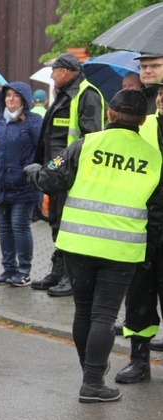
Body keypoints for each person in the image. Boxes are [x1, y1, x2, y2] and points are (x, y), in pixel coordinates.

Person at [24, 89, 163, 403]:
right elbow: (155, 209)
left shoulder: (85, 145)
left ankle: (92, 374)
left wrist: (33, 172)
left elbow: (50, 181)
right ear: (143, 120)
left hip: (78, 243)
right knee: (104, 315)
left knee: (84, 312)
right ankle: (92, 382)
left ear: (110, 114)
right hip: (122, 248)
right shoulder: (154, 157)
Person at [31, 53, 104, 298]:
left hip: (72, 176)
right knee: (57, 223)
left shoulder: (86, 94)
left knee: (68, 226)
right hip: (57, 175)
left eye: (54, 70)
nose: (51, 75)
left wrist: (64, 167)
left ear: (66, 71)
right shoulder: (64, 95)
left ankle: (71, 278)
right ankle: (58, 271)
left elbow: (91, 138)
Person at [115, 78, 163, 382]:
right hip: (144, 227)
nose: (161, 99)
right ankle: (139, 360)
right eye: (160, 93)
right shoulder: (145, 126)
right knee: (139, 299)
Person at [0, 82, 43, 286]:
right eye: (8, 95)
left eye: (16, 95)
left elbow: (40, 150)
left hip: (24, 185)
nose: (11, 99)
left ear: (24, 99)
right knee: (5, 228)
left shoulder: (34, 121)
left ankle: (24, 270)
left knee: (19, 226)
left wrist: (28, 170)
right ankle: (9, 268)